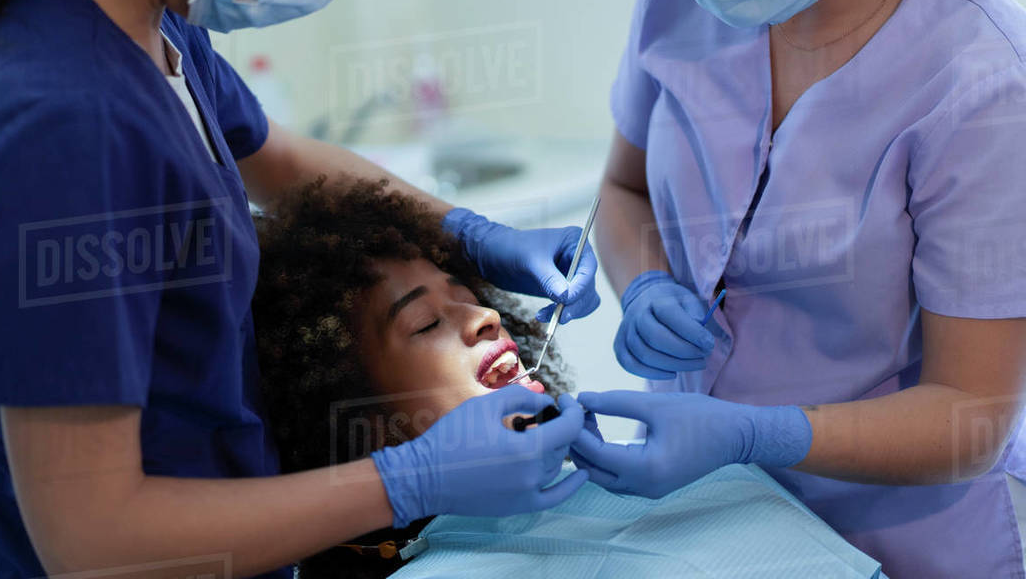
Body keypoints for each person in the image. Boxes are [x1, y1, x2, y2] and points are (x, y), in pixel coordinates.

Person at [0, 0, 599, 577]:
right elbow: (92, 540)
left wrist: (467, 234)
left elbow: (282, 162)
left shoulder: (156, 26)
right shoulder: (49, 131)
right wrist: (410, 479)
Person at [579, 0, 1026, 576]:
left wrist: (761, 432)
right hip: (707, 524)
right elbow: (622, 192)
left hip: (900, 542)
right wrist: (642, 284)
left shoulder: (982, 81)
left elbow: (973, 417)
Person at [251, 178, 887, 579]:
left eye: (466, 292)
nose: (484, 315)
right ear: (364, 424)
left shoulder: (693, 478)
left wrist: (752, 442)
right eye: (423, 324)